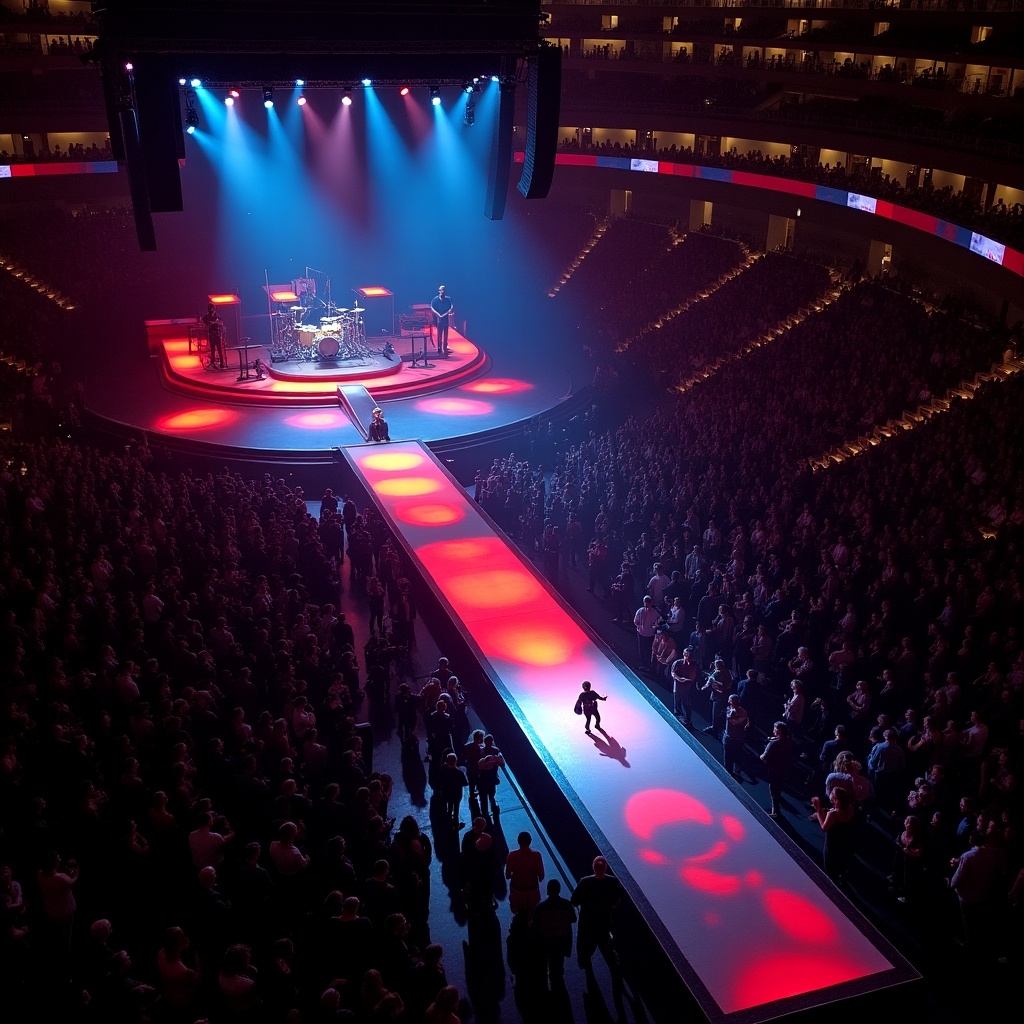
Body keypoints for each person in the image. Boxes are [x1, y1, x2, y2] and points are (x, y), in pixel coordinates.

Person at [571, 855, 623, 974]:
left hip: (587, 922)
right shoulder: (613, 881)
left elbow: (574, 901)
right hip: (604, 921)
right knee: (606, 947)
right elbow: (616, 902)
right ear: (605, 868)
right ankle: (615, 969)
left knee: (585, 946)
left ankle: (584, 964)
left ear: (593, 867)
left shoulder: (585, 882)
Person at [532, 879, 576, 990]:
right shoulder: (567, 904)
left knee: (548, 964)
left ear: (548, 890)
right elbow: (573, 919)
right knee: (559, 963)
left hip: (546, 941)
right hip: (562, 941)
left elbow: (535, 926)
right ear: (559, 890)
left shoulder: (540, 907)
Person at [810, 787, 856, 884]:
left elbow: (824, 827)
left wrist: (818, 808)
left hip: (832, 845)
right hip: (845, 844)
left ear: (836, 799)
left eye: (831, 794)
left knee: (830, 870)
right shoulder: (850, 808)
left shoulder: (833, 814)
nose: (829, 795)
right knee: (842, 865)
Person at [505, 832, 545, 917]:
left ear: (518, 841)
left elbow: (507, 875)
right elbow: (541, 876)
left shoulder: (512, 855)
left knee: (518, 916)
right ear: (530, 841)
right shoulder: (536, 855)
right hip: (532, 890)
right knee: (532, 915)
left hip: (517, 891)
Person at [760, 721, 793, 818]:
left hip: (773, 769)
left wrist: (762, 753)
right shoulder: (789, 741)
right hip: (783, 768)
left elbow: (763, 757)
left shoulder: (773, 744)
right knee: (778, 788)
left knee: (773, 789)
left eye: (775, 729)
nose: (773, 730)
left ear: (779, 731)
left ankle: (775, 811)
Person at [722, 694, 749, 777]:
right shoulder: (729, 709)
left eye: (730, 701)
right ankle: (730, 769)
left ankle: (734, 770)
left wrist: (732, 715)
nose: (728, 702)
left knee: (733, 754)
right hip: (732, 736)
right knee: (730, 754)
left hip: (735, 738)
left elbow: (734, 722)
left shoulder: (740, 712)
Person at [670, 646, 698, 725]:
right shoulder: (677, 663)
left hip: (686, 686)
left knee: (686, 702)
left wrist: (687, 680)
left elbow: (692, 676)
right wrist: (679, 678)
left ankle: (688, 719)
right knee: (677, 700)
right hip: (678, 685)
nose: (688, 658)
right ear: (684, 655)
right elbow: (673, 673)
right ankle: (678, 716)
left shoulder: (693, 665)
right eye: (687, 656)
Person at [430, 284, 454, 356]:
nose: (442, 291)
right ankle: (439, 348)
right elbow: (432, 307)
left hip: (445, 320)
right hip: (439, 320)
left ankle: (445, 348)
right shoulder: (435, 299)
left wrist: (446, 313)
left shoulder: (448, 299)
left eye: (443, 290)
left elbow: (451, 306)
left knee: (446, 335)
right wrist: (438, 314)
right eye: (441, 290)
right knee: (439, 334)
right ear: (438, 291)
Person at [202, 303, 226, 369]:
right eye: (213, 308)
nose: (214, 309)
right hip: (211, 335)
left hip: (217, 334)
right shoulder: (206, 317)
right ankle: (213, 363)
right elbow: (205, 323)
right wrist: (210, 324)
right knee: (212, 350)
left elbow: (221, 323)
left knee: (219, 349)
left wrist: (217, 323)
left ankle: (222, 364)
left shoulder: (217, 316)